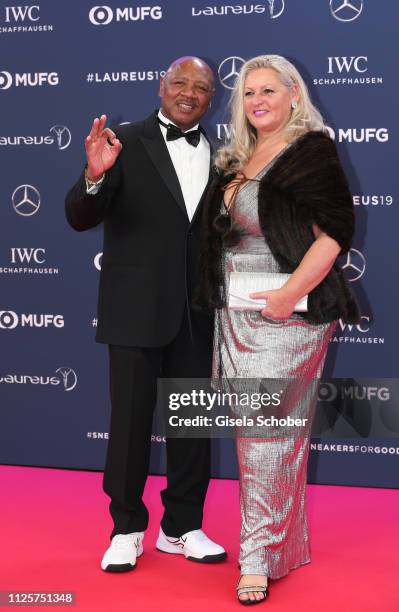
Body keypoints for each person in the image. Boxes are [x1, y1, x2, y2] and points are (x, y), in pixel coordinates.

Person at [196, 55, 359, 604]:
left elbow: (334, 233)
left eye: (269, 90)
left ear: (295, 94)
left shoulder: (310, 150)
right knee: (268, 437)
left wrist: (288, 297)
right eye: (247, 93)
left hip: (288, 314)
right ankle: (284, 547)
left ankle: (256, 558)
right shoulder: (237, 156)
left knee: (266, 437)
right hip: (233, 313)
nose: (257, 100)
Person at [65, 56, 227, 572]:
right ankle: (127, 527)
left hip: (197, 311)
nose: (188, 92)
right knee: (131, 423)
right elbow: (79, 216)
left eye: (200, 87)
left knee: (191, 424)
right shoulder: (122, 142)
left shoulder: (224, 156)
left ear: (211, 97)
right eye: (179, 82)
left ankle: (183, 526)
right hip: (134, 309)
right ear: (161, 87)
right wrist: (93, 175)